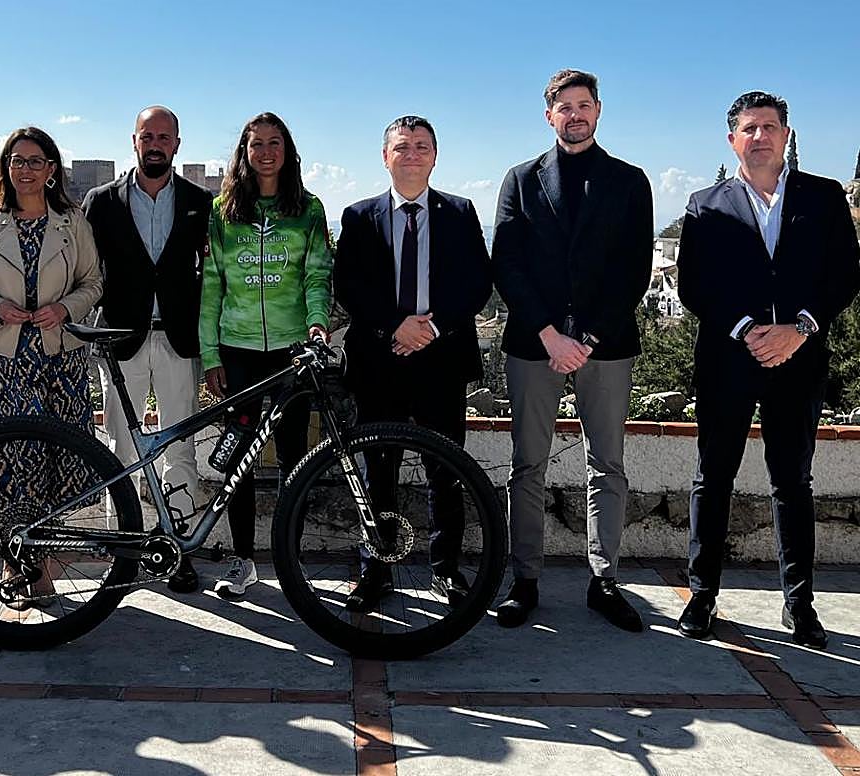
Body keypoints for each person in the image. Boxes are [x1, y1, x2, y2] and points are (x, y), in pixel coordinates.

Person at [676, 91, 860, 648]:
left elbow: (844, 274)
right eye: (749, 128)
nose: (760, 137)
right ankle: (702, 595)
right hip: (729, 359)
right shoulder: (704, 204)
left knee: (793, 482)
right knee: (713, 478)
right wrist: (748, 332)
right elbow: (694, 286)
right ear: (732, 138)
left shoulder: (824, 198)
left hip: (799, 361)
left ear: (786, 135)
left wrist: (798, 329)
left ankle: (799, 603)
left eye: (770, 127)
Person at [492, 69, 654, 632]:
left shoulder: (630, 181)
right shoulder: (520, 179)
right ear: (549, 115)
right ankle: (525, 580)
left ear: (599, 111)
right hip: (534, 344)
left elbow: (632, 271)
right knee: (526, 465)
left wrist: (583, 340)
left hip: (604, 347)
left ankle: (604, 581)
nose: (575, 114)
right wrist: (547, 334)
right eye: (565, 107)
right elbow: (507, 263)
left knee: (606, 464)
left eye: (584, 105)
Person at [333, 115, 492, 612]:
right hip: (379, 361)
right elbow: (349, 286)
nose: (412, 155)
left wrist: (433, 328)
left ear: (435, 155)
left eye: (422, 146)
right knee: (378, 470)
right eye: (402, 147)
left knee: (445, 470)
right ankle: (375, 570)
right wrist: (393, 327)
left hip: (441, 361)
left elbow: (476, 283)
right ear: (385, 157)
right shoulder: (358, 217)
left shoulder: (461, 212)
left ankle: (445, 569)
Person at [0, 127, 102, 606]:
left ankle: (42, 568)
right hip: (3, 358)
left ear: (52, 169)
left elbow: (93, 282)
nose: (26, 169)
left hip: (59, 357)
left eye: (36, 161)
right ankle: (15, 564)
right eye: (18, 160)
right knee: (13, 464)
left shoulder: (71, 221)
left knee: (54, 466)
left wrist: (66, 309)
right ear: (6, 167)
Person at [200, 112, 333, 599]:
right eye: (257, 144)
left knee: (296, 456)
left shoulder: (310, 209)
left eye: (275, 143)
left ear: (288, 150)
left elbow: (317, 276)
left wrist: (318, 321)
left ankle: (291, 560)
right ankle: (242, 560)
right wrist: (210, 353)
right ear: (244, 152)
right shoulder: (222, 211)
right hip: (237, 351)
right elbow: (212, 286)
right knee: (239, 459)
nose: (266, 152)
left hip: (293, 349)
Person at [83, 107, 211, 593]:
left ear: (177, 144)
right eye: (147, 136)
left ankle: (177, 549)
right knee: (120, 448)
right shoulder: (101, 202)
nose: (155, 144)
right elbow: (86, 271)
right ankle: (125, 550)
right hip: (121, 340)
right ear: (133, 141)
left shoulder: (201, 202)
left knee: (180, 447)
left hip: (179, 339)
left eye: (164, 137)